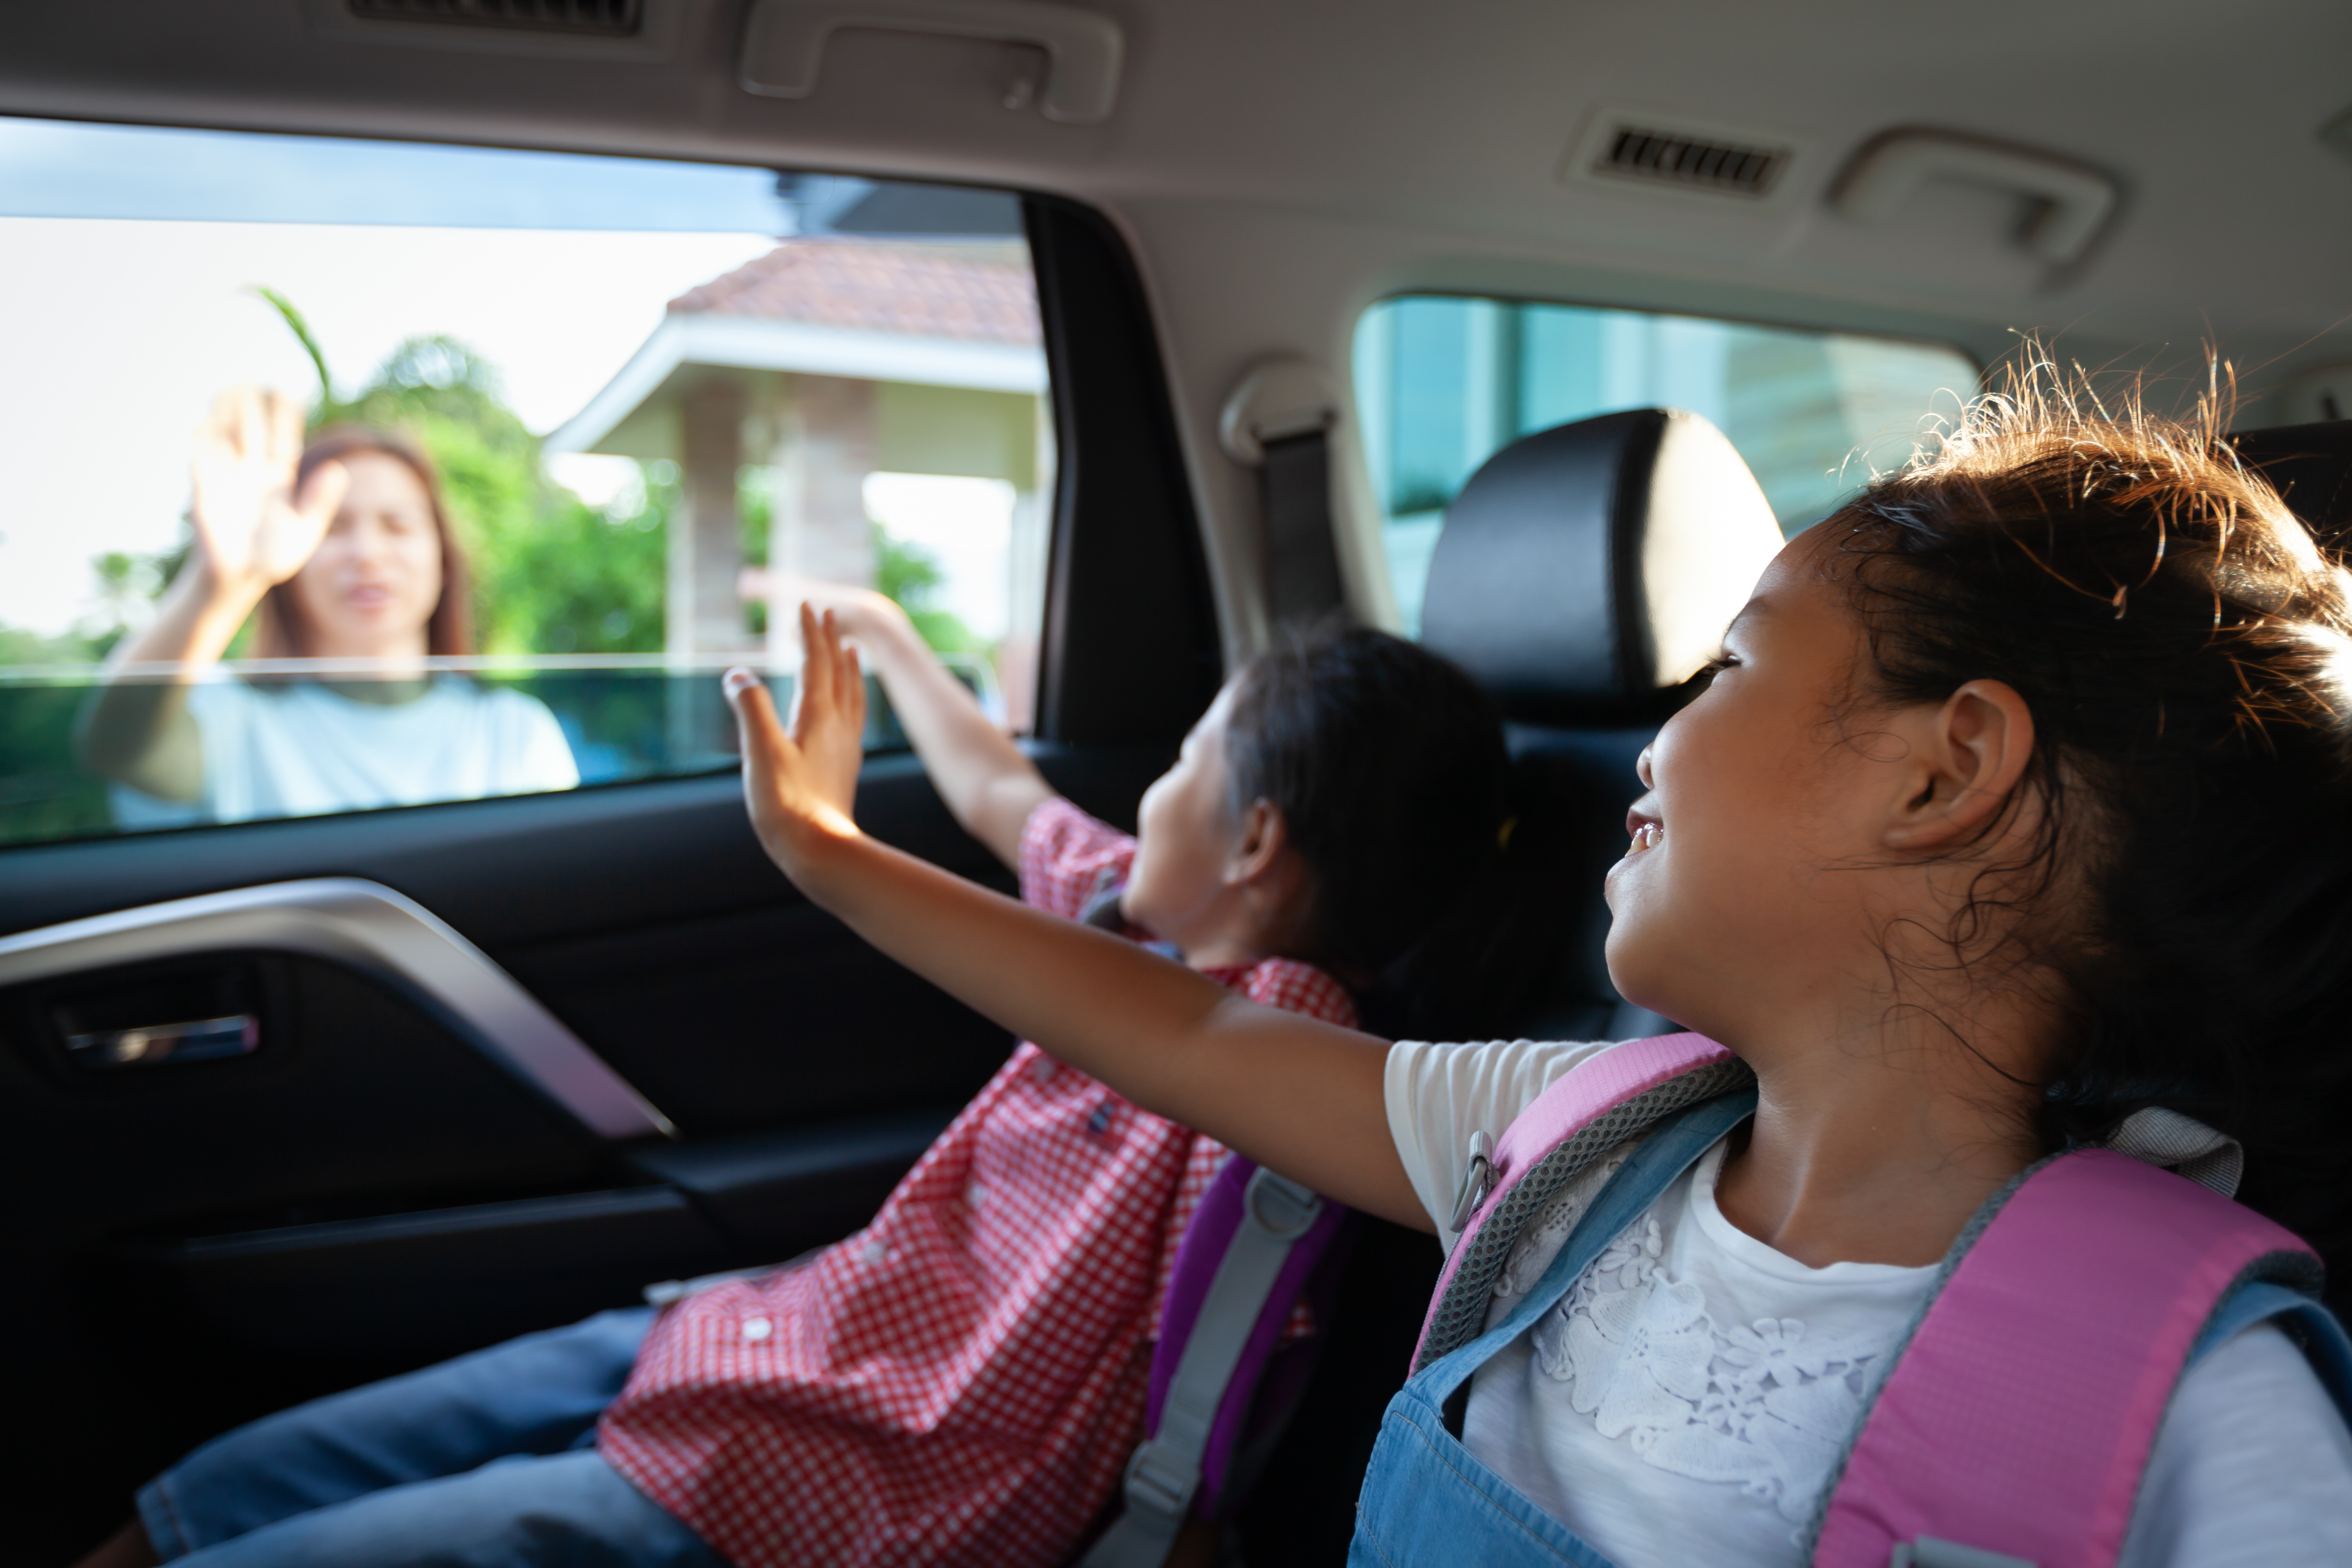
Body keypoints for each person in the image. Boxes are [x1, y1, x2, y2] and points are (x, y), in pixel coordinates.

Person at [718, 369, 2352, 1564]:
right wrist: (830, 858)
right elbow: (1199, 1035)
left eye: (1731, 666)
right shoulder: (1590, 1133)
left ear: (1943, 774)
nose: (1654, 742)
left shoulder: (2194, 1401)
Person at [74, 603, 1528, 1567]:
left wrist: (824, 845)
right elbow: (997, 791)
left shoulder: (1281, 1036)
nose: (1141, 793)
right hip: (774, 1343)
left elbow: (1211, 1389)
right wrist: (887, 637)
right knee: (251, 1471)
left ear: (1256, 840)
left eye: (1180, 759)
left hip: (849, 1487)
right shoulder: (1123, 918)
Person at [77, 386, 576, 824]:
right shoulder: (230, 720)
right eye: (332, 527)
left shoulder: (513, 732)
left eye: (398, 525)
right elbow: (116, 748)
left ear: (443, 559)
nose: (368, 554)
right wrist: (222, 584)